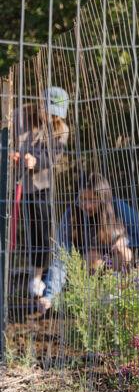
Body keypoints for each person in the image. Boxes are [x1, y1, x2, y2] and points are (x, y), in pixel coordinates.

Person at [38, 172, 139, 312]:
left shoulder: (120, 209)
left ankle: (119, 295)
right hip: (87, 266)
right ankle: (92, 302)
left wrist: (124, 241)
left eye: (92, 200)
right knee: (93, 257)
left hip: (116, 264)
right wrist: (49, 295)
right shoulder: (71, 216)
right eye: (82, 199)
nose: (87, 205)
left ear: (103, 198)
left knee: (124, 253)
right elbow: (61, 257)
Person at [13, 87, 70, 302]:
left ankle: (38, 277)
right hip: (15, 181)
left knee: (43, 230)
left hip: (40, 185)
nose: (51, 115)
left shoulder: (61, 129)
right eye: (48, 108)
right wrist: (12, 154)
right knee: (23, 230)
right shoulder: (20, 115)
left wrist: (35, 162)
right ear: (40, 102)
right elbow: (7, 137)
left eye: (56, 112)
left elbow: (52, 157)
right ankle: (30, 273)